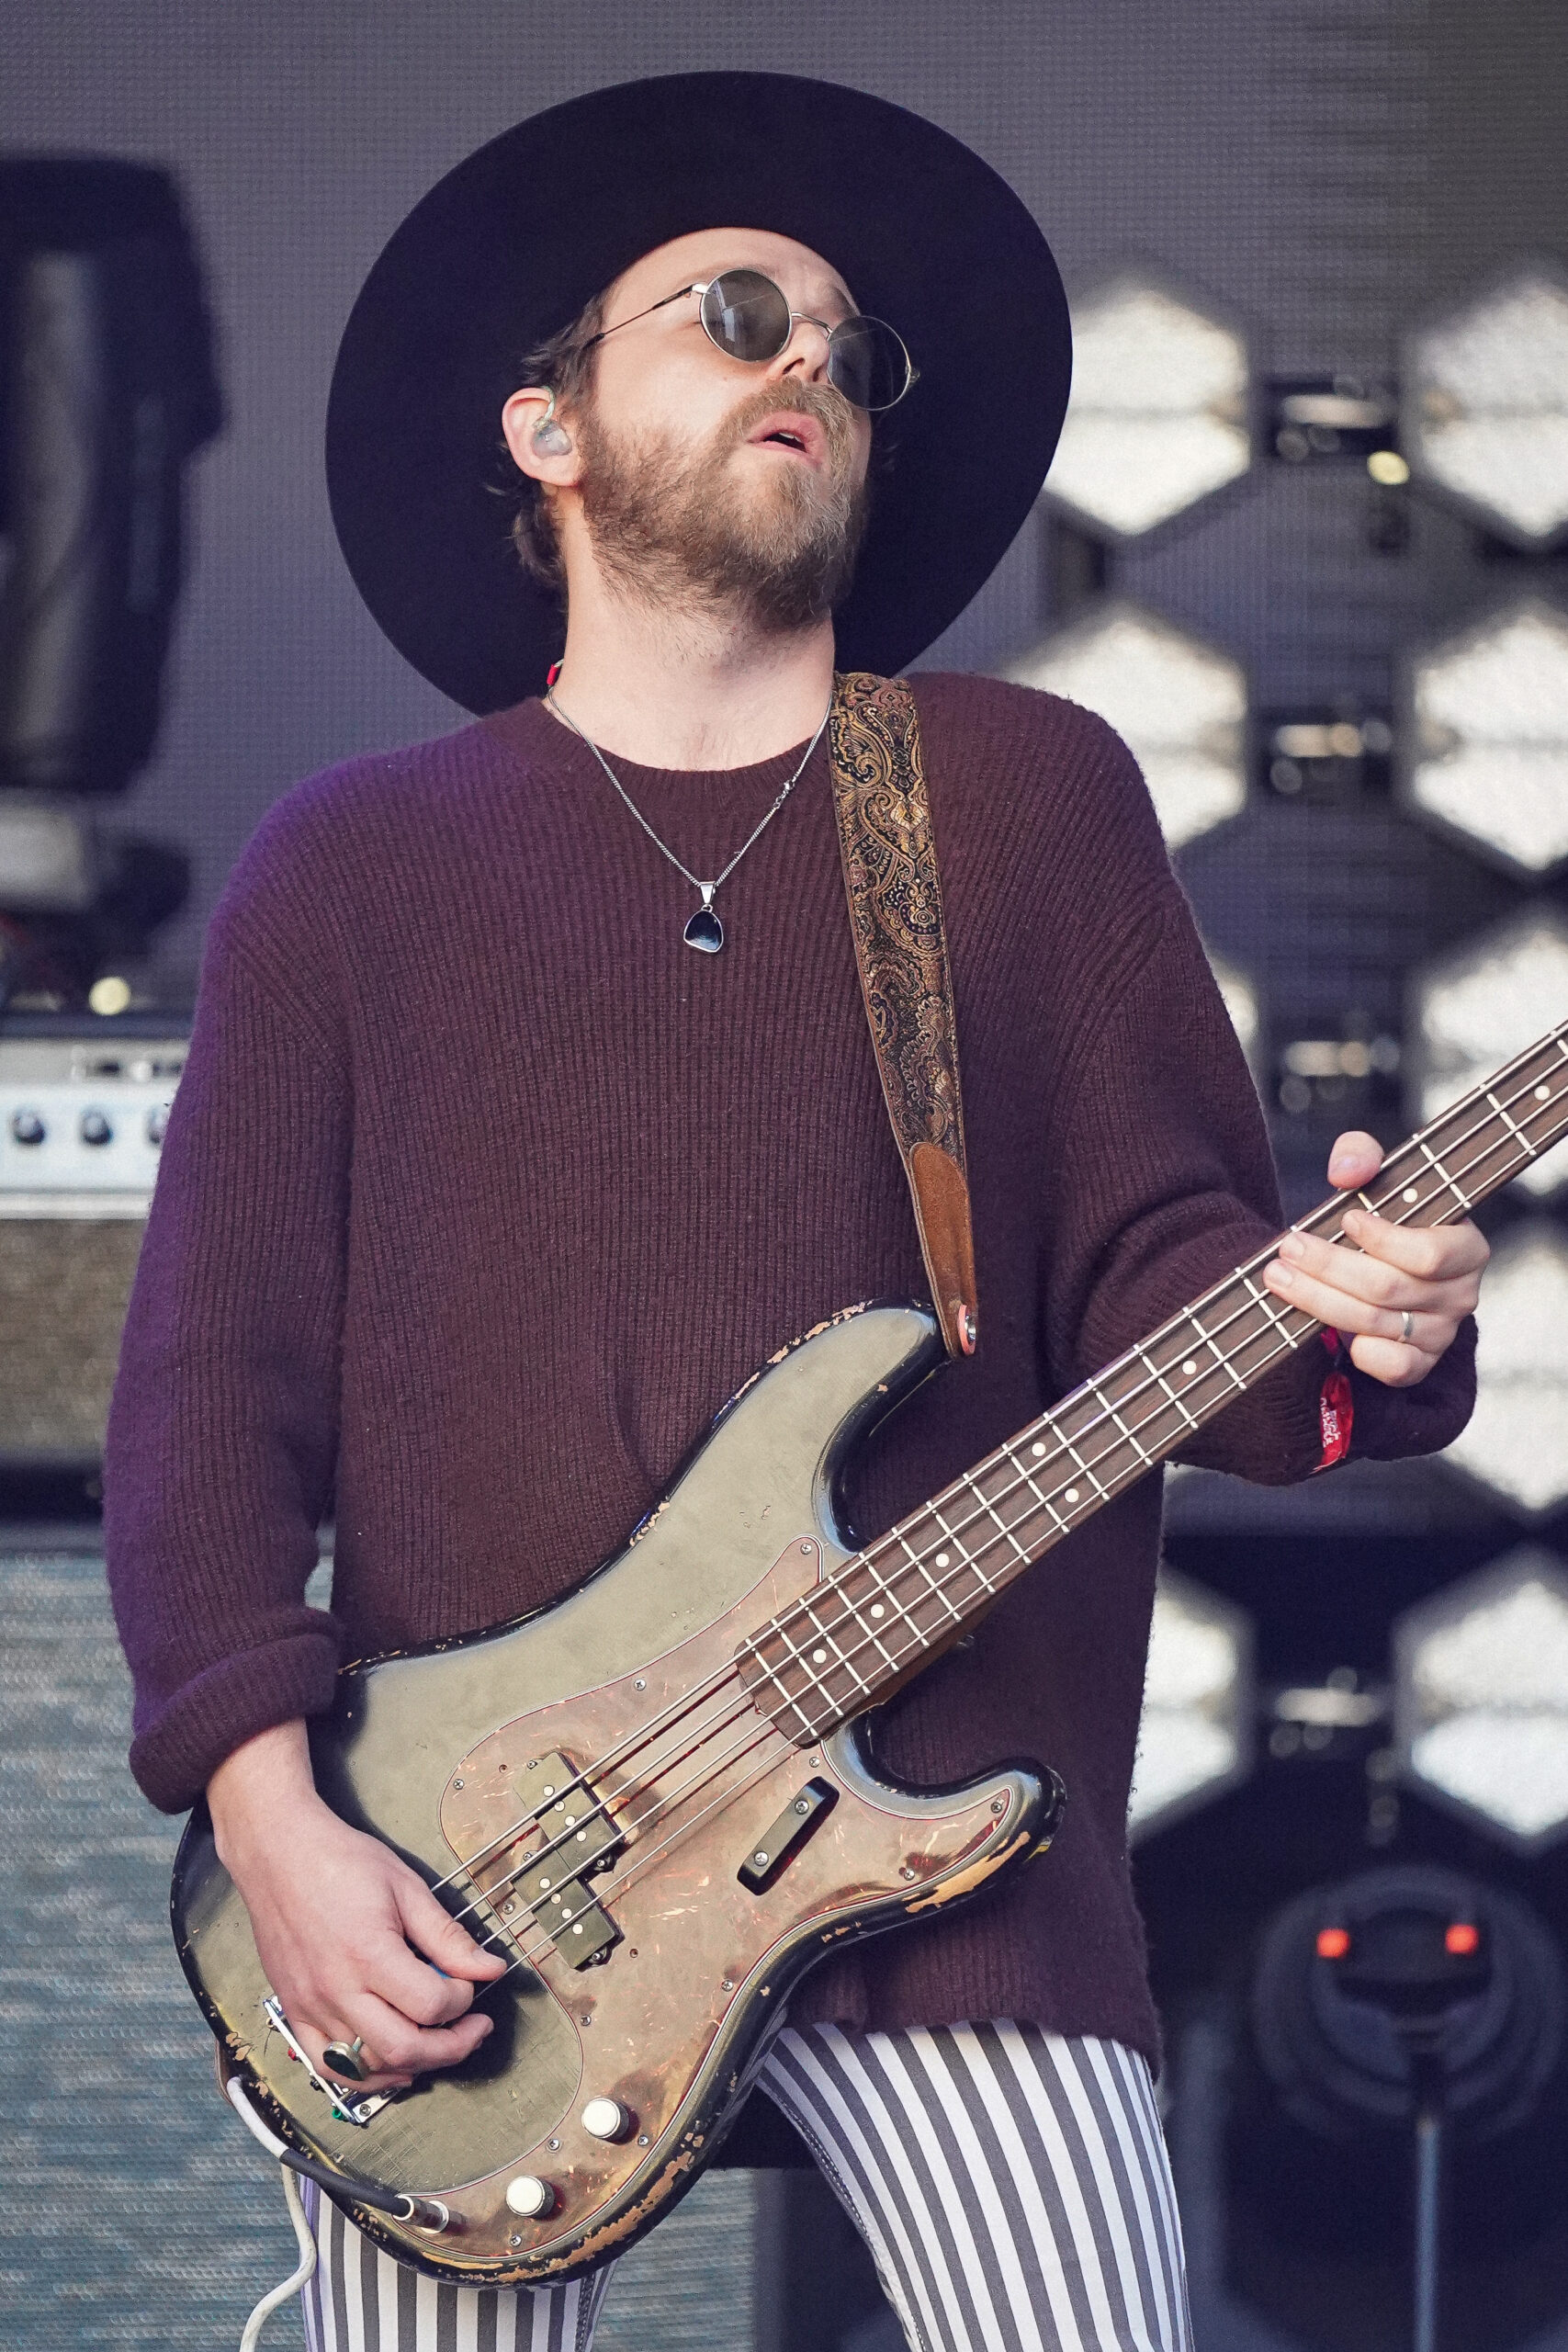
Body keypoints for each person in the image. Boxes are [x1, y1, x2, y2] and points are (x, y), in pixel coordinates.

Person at [105, 72, 1487, 2352]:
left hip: (956, 1863)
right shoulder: (351, 869)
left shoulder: (1017, 796)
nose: (809, 365)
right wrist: (275, 1820)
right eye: (737, 315)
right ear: (549, 428)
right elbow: (206, 1395)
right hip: (469, 1879)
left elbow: (1166, 1275)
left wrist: (1357, 1318)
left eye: (849, 349)